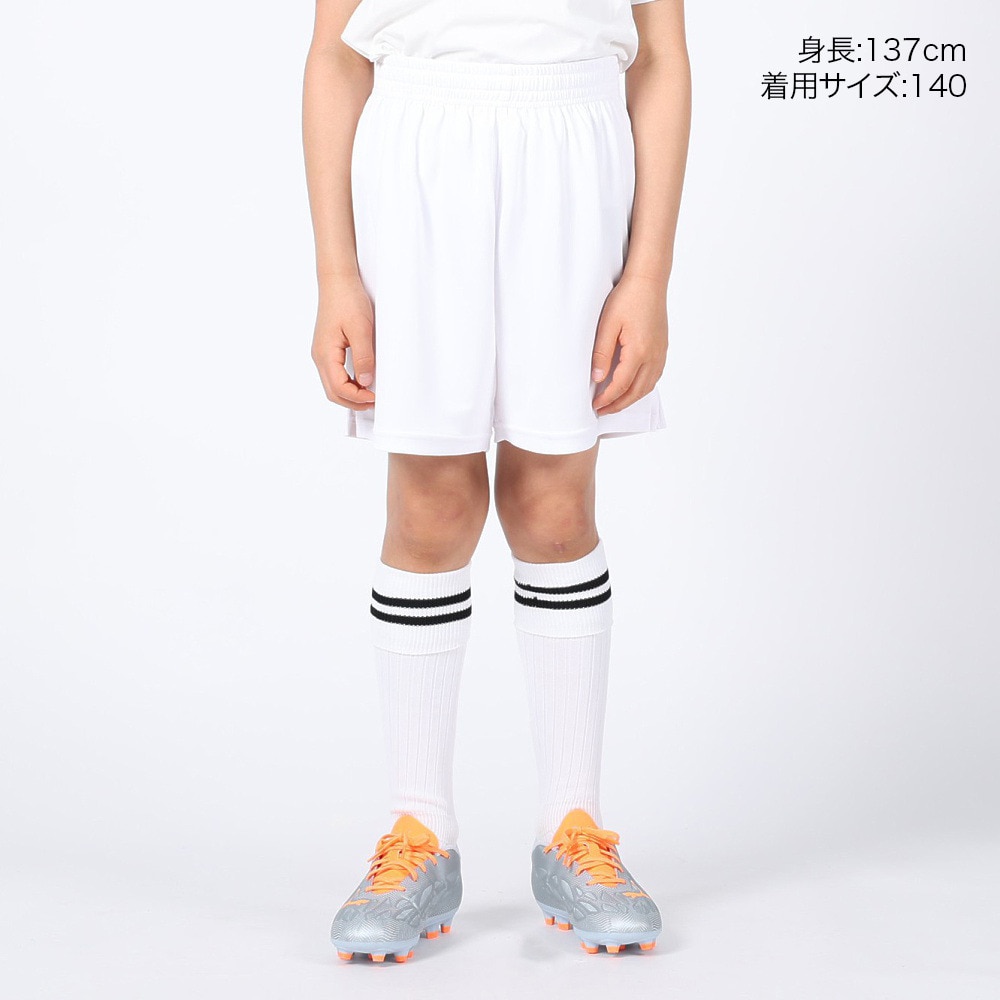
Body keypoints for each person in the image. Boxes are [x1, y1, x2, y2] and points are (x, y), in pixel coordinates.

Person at [302, 0, 691, 964]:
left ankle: (573, 828)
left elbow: (660, 56)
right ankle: (419, 831)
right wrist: (337, 274)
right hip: (422, 158)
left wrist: (648, 276)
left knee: (554, 506)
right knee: (429, 507)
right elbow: (335, 57)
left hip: (574, 156)